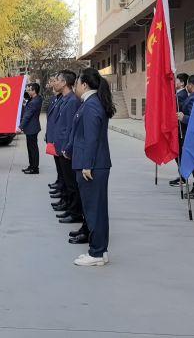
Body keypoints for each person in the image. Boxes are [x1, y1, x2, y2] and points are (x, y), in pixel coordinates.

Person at [63, 68, 115, 267]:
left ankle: (96, 252)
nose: (75, 86)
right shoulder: (90, 103)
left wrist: (87, 165)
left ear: (84, 84)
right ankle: (100, 251)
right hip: (93, 163)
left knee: (94, 211)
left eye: (77, 83)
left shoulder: (91, 105)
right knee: (96, 210)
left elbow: (91, 138)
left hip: (92, 166)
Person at [52, 71, 85, 232]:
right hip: (60, 146)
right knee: (66, 181)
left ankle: (75, 212)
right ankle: (69, 207)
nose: (55, 83)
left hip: (66, 148)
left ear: (64, 82)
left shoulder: (72, 101)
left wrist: (67, 147)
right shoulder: (64, 99)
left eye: (57, 80)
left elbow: (71, 128)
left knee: (71, 184)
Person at [176, 74, 194, 199]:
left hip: (193, 135)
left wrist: (184, 118)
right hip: (191, 134)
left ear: (190, 85)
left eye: (188, 84)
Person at [170, 73, 190, 187]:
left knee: (180, 154)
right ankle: (182, 175)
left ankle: (183, 178)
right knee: (178, 154)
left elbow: (178, 111)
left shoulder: (181, 95)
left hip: (180, 129)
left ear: (182, 83)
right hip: (179, 128)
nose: (174, 82)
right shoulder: (179, 94)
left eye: (176, 80)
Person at [45, 77, 64, 199]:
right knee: (58, 165)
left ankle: (62, 187)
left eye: (54, 80)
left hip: (60, 140)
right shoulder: (55, 98)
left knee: (63, 167)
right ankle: (59, 182)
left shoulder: (66, 99)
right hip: (54, 137)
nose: (52, 83)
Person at [18, 82, 42, 174]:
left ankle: (34, 168)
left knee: (32, 149)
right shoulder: (36, 98)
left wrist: (20, 127)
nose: (27, 91)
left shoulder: (33, 102)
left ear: (34, 91)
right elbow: (26, 97)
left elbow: (27, 116)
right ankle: (32, 165)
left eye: (29, 89)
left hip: (32, 128)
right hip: (33, 127)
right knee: (31, 148)